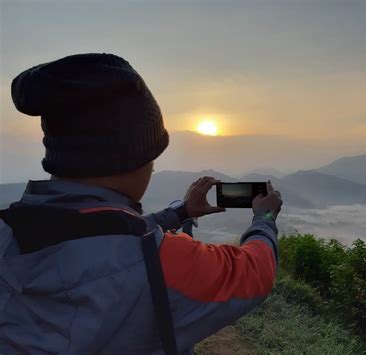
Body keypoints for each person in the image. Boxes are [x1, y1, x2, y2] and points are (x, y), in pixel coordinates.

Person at [0, 53, 282, 354]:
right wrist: (264, 218)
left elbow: (100, 233)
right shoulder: (165, 261)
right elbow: (254, 273)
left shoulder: (8, 229)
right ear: (133, 160)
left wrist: (181, 213)